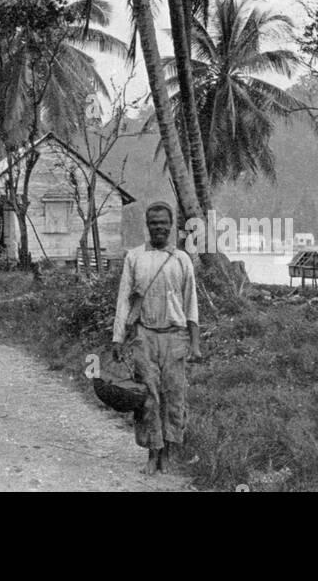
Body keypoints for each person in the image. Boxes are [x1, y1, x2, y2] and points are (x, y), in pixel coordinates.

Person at [111, 201, 200, 475]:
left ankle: (167, 455)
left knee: (173, 396)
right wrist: (118, 338)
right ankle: (152, 454)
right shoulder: (134, 257)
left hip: (175, 337)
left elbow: (191, 303)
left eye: (163, 222)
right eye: (153, 223)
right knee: (148, 398)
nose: (158, 227)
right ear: (147, 226)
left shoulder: (182, 259)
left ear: (171, 225)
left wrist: (195, 344)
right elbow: (124, 299)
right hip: (144, 336)